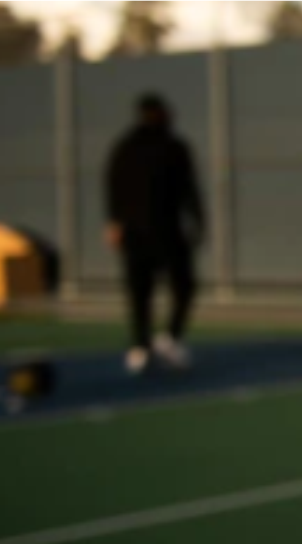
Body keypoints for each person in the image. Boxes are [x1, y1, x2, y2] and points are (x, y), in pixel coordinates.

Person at [104, 93, 204, 375]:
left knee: (184, 285)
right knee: (139, 292)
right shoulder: (126, 148)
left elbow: (189, 188)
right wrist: (114, 222)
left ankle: (170, 337)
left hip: (168, 230)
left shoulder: (175, 147)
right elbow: (113, 185)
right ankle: (140, 345)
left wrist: (197, 221)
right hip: (136, 233)